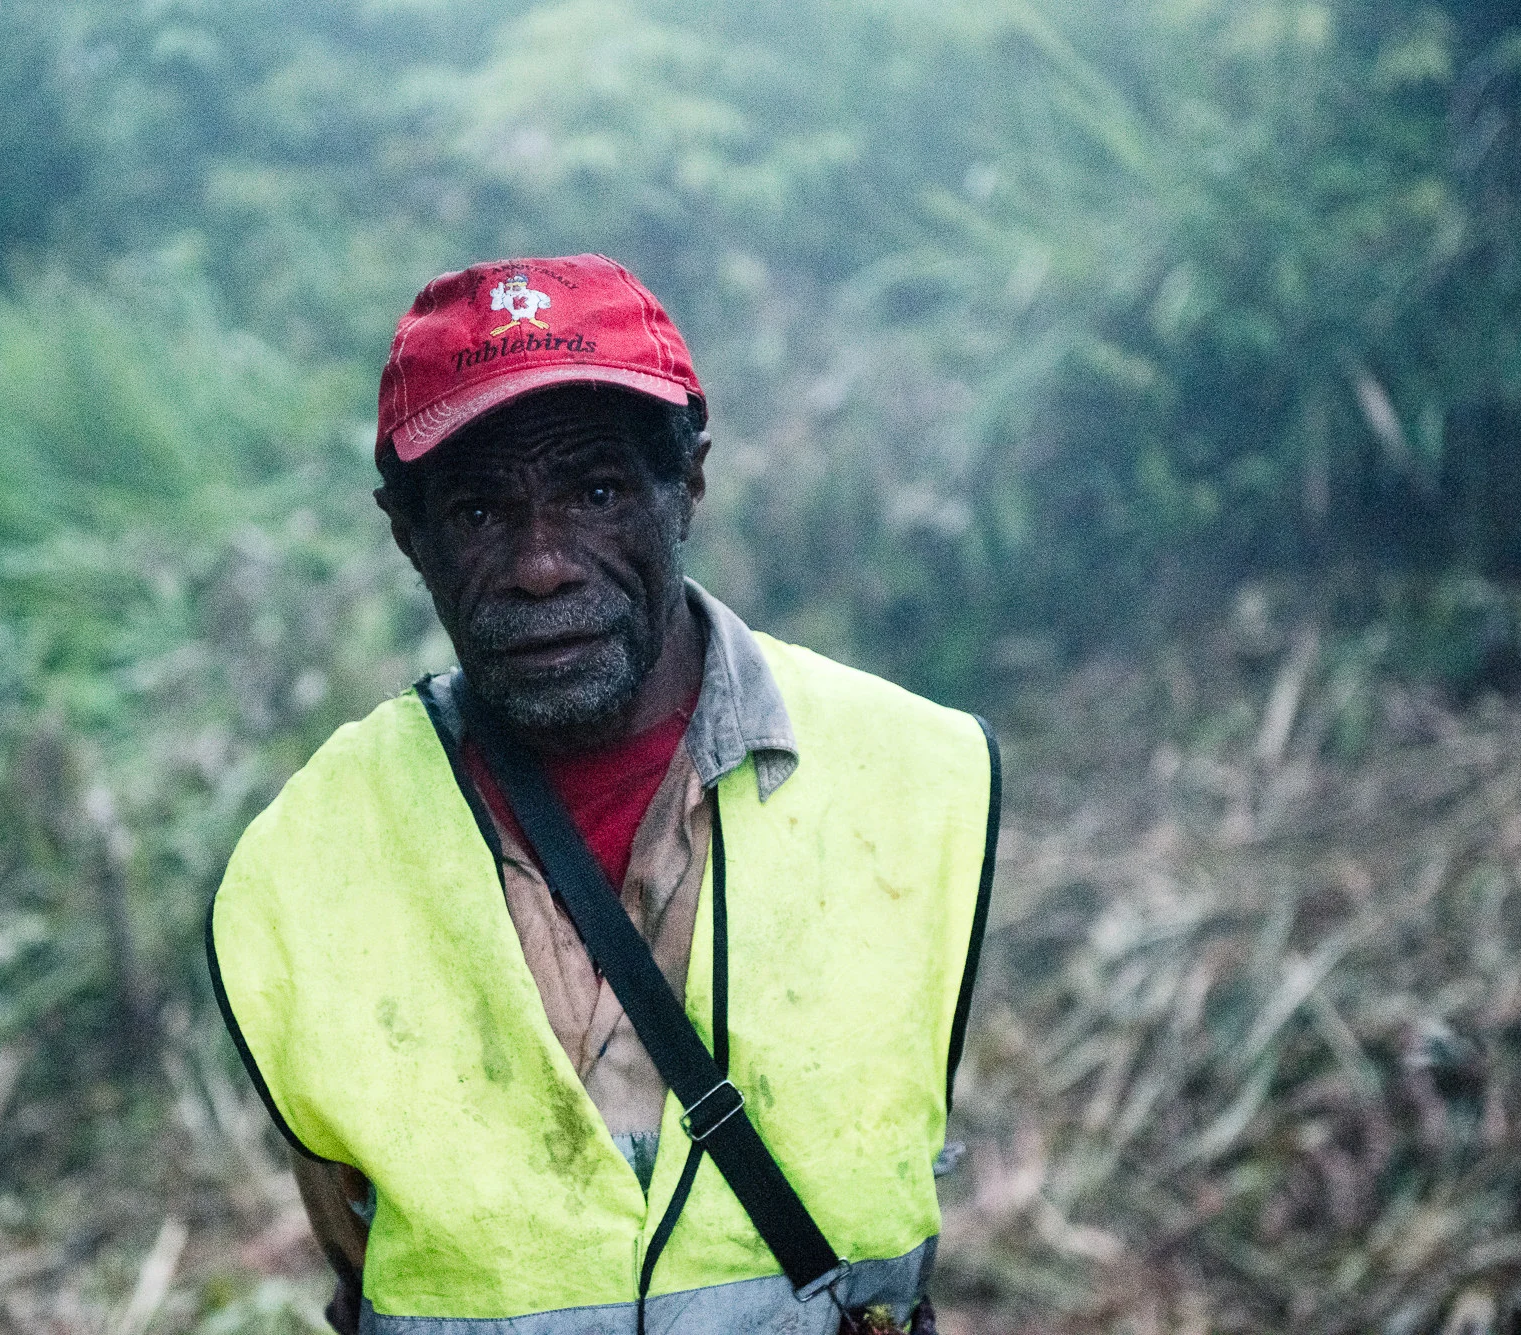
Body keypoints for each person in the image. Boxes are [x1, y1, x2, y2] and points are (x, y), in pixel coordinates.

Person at [207, 254, 998, 1335]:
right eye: (481, 510)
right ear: (409, 534)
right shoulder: (300, 868)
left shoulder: (919, 778)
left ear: (688, 487)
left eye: (594, 492)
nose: (541, 564)